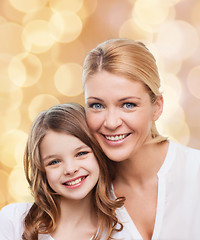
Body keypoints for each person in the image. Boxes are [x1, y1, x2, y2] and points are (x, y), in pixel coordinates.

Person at [82, 38, 200, 240]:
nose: (111, 122)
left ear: (157, 107)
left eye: (128, 105)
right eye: (97, 106)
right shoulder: (81, 191)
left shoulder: (194, 172)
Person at [0, 103, 133, 240]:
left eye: (81, 154)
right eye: (54, 162)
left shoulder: (123, 231)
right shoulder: (14, 221)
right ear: (41, 170)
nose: (70, 169)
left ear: (99, 153)